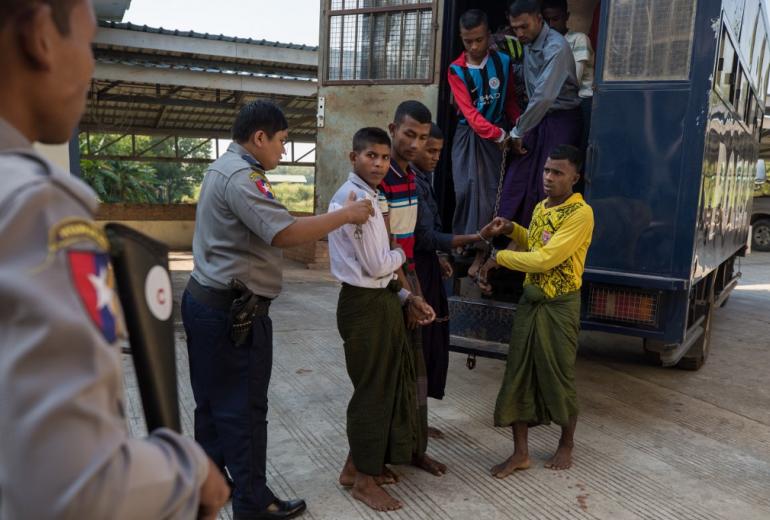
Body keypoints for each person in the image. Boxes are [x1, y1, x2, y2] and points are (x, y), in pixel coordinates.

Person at [0, 1, 230, 518]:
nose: (90, 66)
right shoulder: (37, 209)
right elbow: (77, 487)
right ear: (41, 35)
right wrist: (188, 470)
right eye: (89, 43)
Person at [182, 100, 374, 520]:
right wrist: (345, 215)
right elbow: (284, 233)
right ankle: (253, 504)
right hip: (234, 316)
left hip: (204, 301)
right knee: (246, 411)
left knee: (211, 404)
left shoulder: (220, 167)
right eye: (283, 143)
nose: (283, 152)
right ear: (260, 138)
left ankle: (213, 480)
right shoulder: (243, 177)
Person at [478, 145, 594, 477]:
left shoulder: (580, 214)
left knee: (559, 376)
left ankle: (566, 444)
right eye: (546, 170)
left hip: (559, 307)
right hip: (531, 303)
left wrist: (499, 257)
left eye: (557, 172)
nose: (548, 177)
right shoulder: (543, 207)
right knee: (518, 375)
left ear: (575, 176)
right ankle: (520, 453)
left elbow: (546, 259)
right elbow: (537, 242)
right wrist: (513, 230)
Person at [329, 127, 423, 512]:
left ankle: (355, 467)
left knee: (379, 387)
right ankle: (365, 481)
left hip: (376, 298)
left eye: (385, 158)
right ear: (354, 157)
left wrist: (403, 294)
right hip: (364, 304)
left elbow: (379, 272)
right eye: (371, 156)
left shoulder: (370, 195)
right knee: (372, 392)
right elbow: (376, 264)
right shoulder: (357, 201)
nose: (380, 164)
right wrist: (400, 252)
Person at [380, 100, 447, 476]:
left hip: (409, 280)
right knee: (387, 379)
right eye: (409, 135)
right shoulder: (381, 179)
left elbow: (404, 246)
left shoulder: (410, 178)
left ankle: (413, 449)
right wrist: (407, 294)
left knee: (415, 370)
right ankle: (365, 465)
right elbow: (388, 249)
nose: (416, 145)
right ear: (393, 130)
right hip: (390, 286)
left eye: (423, 138)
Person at [412, 123, 491, 434]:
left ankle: (419, 419)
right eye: (429, 150)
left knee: (429, 347)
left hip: (428, 266)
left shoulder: (422, 179)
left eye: (438, 152)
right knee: (419, 346)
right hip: (415, 273)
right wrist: (474, 236)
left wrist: (441, 257)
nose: (435, 158)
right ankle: (414, 421)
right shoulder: (409, 184)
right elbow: (425, 237)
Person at [498, 0, 583, 227]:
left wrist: (518, 130)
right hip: (535, 118)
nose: (519, 33)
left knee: (548, 182)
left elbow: (544, 96)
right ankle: (502, 239)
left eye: (524, 26)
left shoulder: (556, 47)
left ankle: (540, 244)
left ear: (539, 19)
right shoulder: (526, 43)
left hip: (560, 119)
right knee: (517, 178)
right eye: (515, 28)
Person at [448, 9, 520, 243]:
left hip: (497, 136)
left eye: (479, 40)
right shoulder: (456, 70)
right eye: (468, 41)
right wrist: (497, 134)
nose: (474, 46)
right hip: (468, 135)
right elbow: (469, 113)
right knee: (464, 190)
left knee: (490, 194)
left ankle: (482, 247)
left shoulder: (503, 62)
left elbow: (509, 101)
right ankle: (463, 241)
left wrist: (519, 127)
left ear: (489, 35)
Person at [541, 0, 595, 151]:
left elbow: (573, 80)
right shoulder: (544, 44)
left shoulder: (579, 39)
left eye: (555, 19)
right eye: (546, 20)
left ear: (567, 17)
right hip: (558, 103)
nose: (551, 25)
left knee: (575, 150)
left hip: (582, 101)